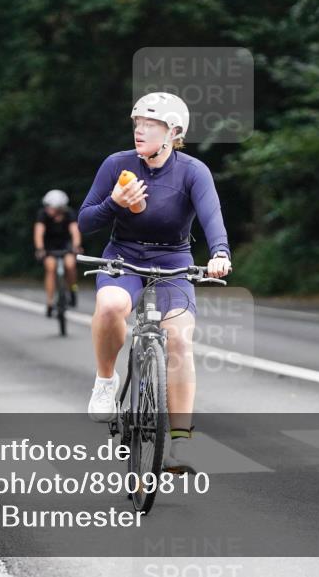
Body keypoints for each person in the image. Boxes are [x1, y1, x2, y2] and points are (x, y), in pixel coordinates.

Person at [78, 92, 231, 473]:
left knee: (178, 338)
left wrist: (220, 253)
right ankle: (105, 382)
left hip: (174, 258)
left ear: (173, 132)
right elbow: (85, 222)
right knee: (111, 305)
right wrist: (114, 202)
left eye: (150, 124)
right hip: (123, 256)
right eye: (136, 123)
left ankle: (179, 443)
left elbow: (212, 215)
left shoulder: (193, 170)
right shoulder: (117, 165)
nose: (139, 130)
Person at [34, 189, 82, 316]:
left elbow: (74, 231)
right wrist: (40, 248)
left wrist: (76, 246)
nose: (49, 210)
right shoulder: (43, 214)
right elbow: (39, 232)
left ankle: (72, 289)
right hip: (50, 247)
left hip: (66, 246)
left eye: (53, 208)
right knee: (50, 268)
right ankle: (50, 302)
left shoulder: (69, 214)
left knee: (70, 265)